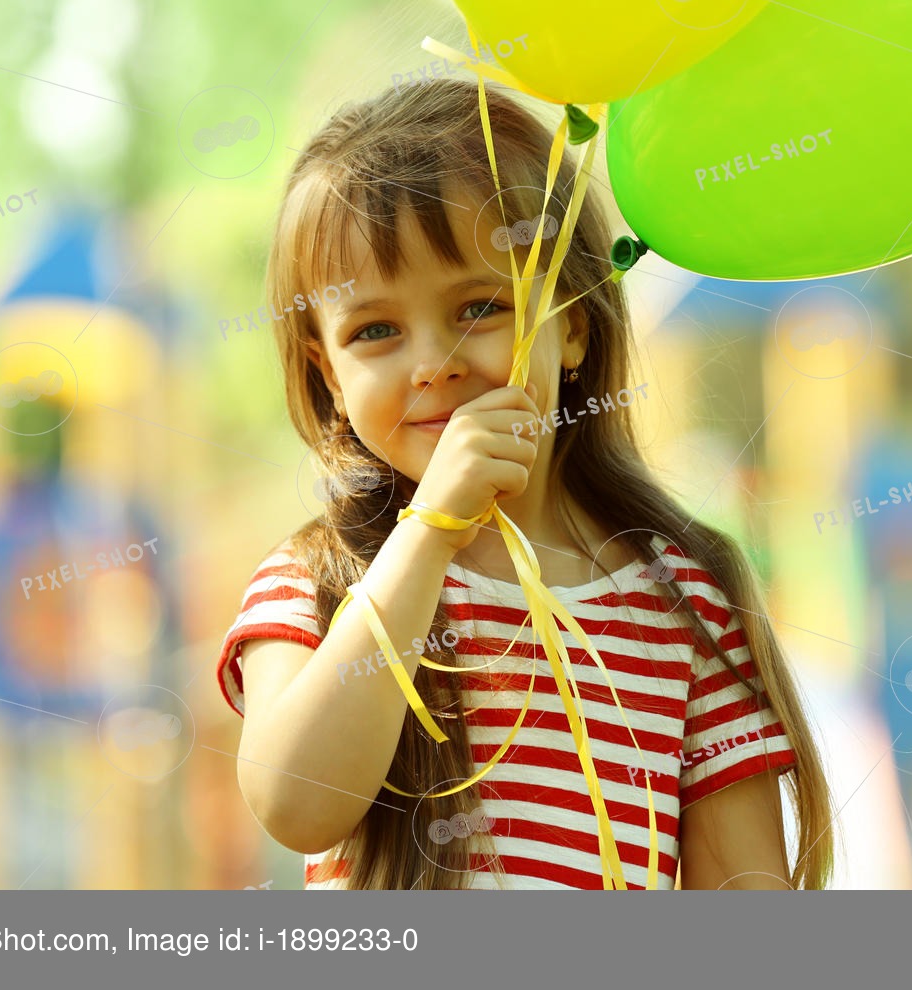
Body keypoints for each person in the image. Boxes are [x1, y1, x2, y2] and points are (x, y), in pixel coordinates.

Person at [213, 77, 834, 889]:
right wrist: (430, 531)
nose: (433, 363)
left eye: (479, 308)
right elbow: (297, 803)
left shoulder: (684, 599)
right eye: (375, 330)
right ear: (325, 370)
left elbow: (745, 890)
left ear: (572, 324)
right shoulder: (319, 583)